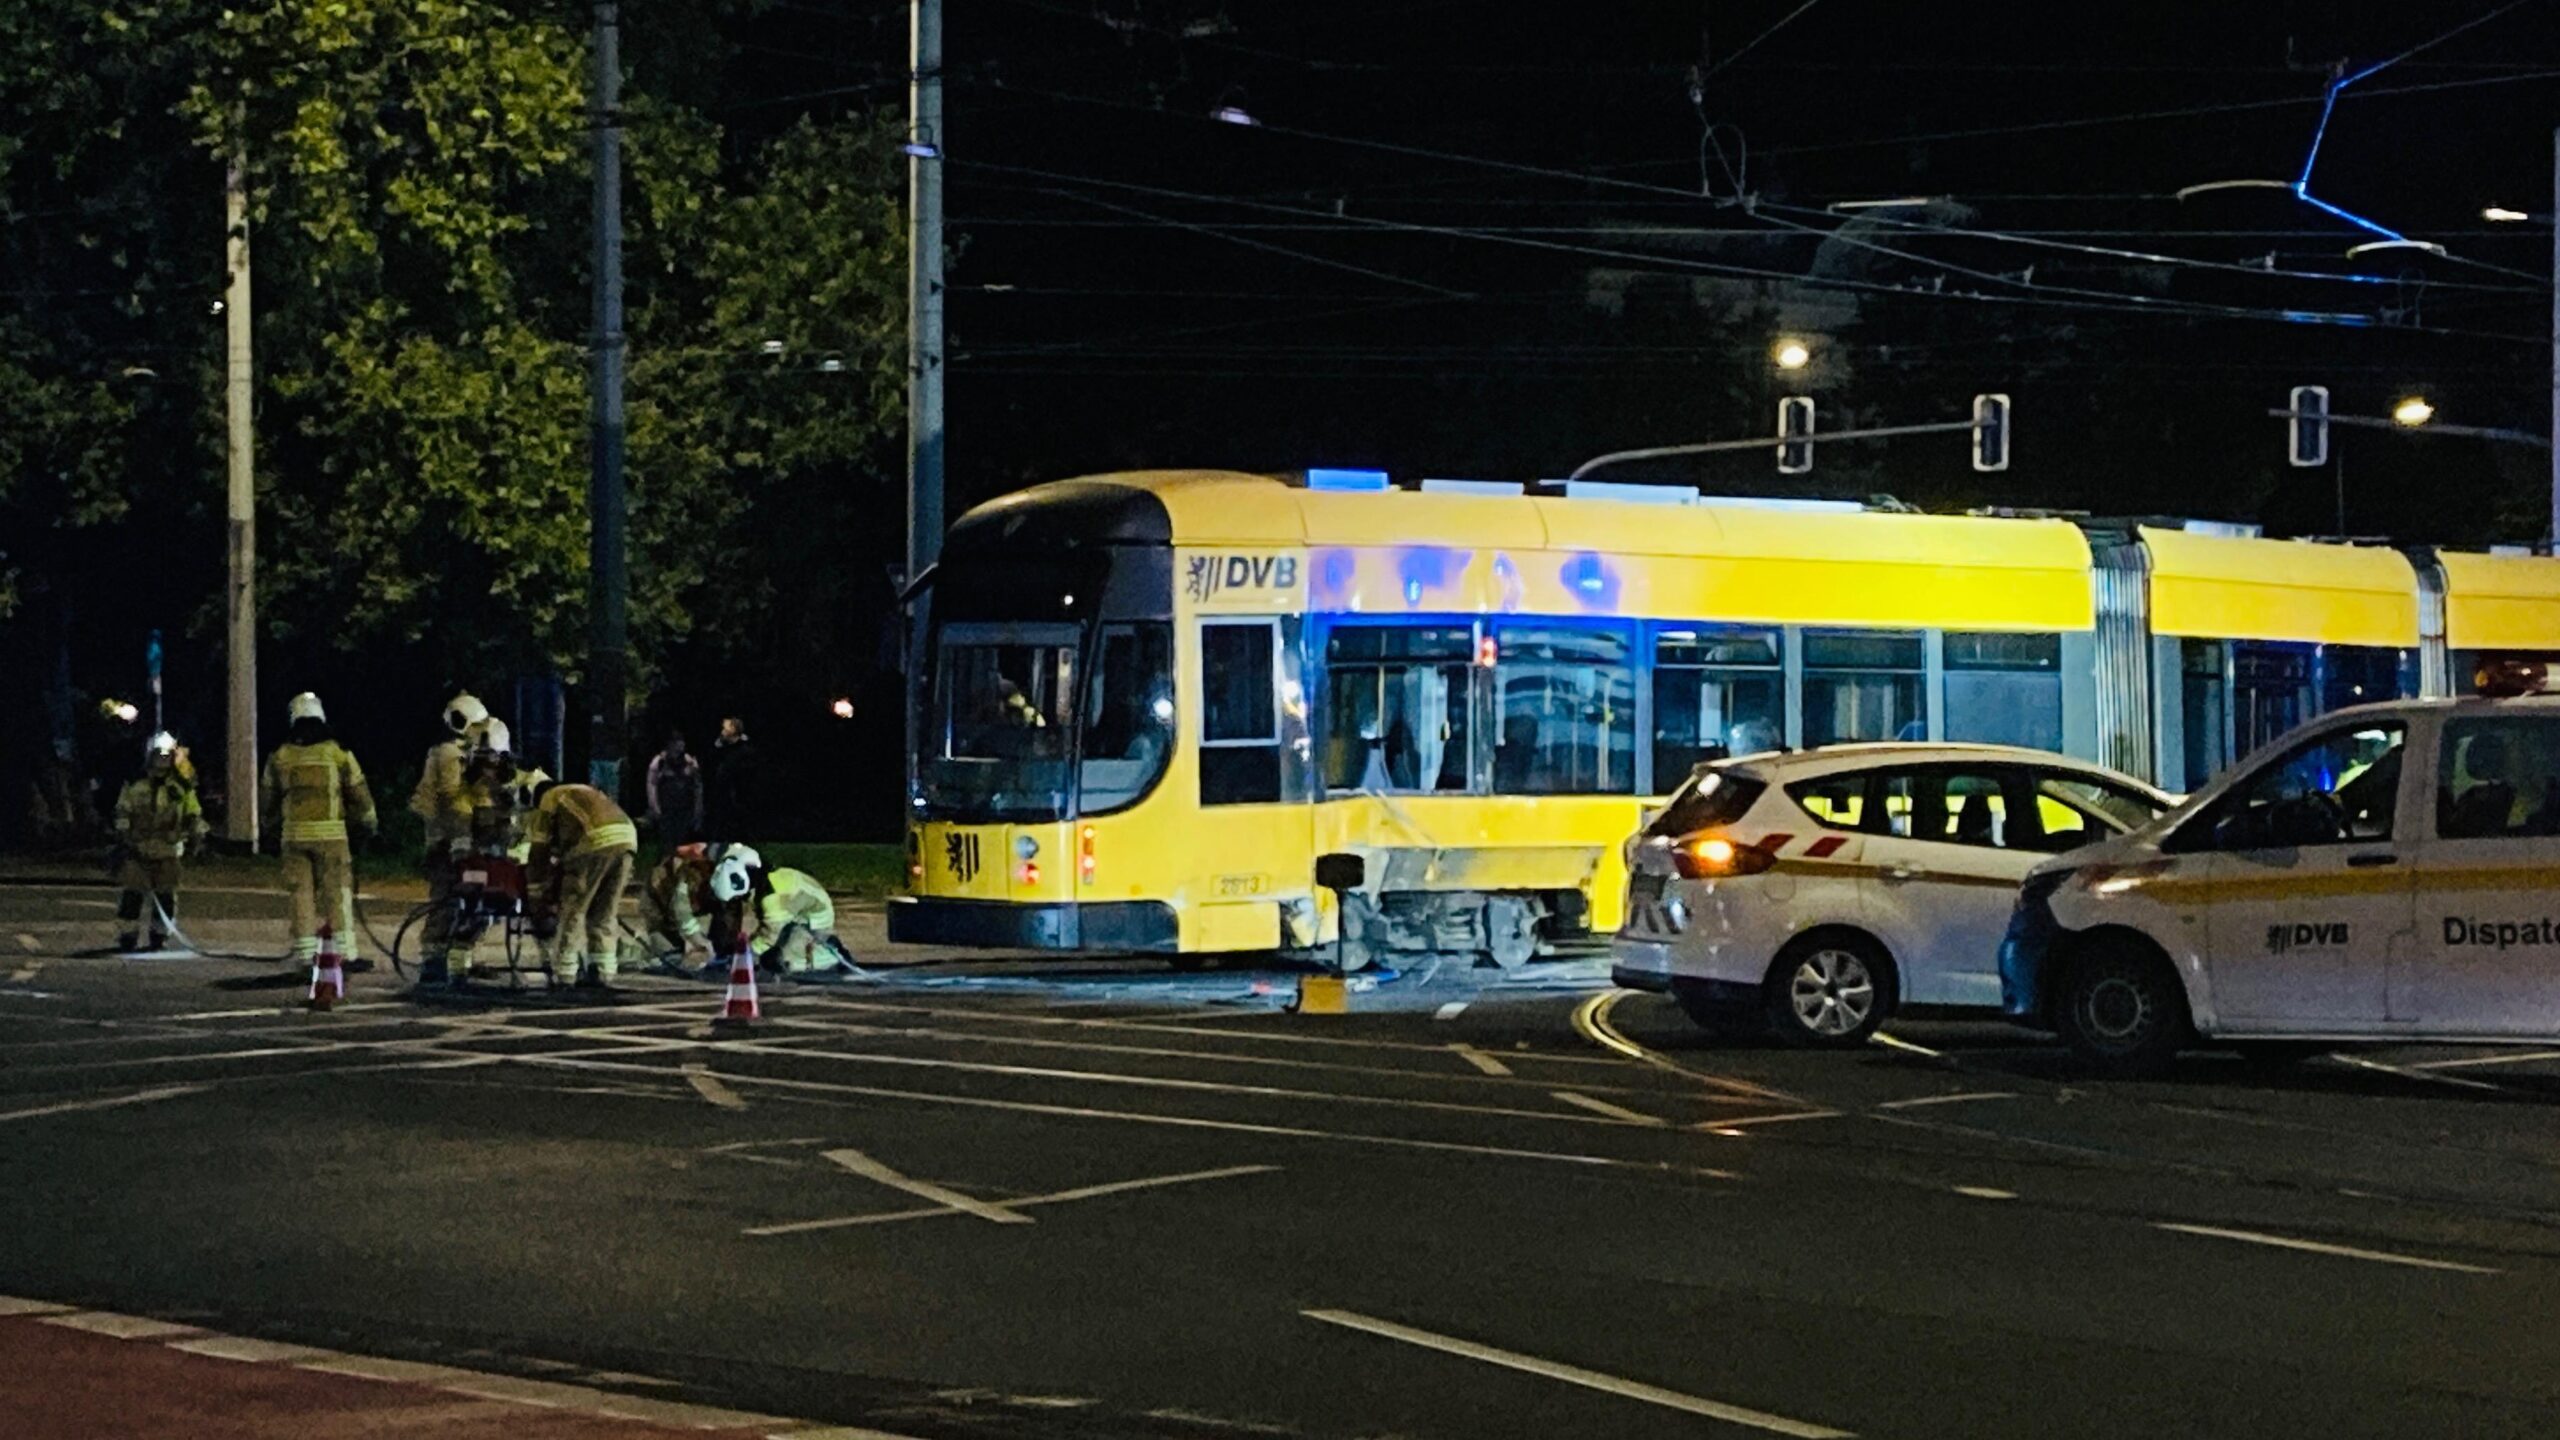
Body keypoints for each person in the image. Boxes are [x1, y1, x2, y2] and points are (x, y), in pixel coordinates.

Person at [262, 693, 376, 966]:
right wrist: (369, 823)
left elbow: (267, 799)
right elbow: (359, 794)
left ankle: (305, 954)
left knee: (300, 895)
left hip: (294, 837)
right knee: (337, 894)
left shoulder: (280, 756)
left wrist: (268, 827)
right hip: (332, 837)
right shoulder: (338, 753)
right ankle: (345, 954)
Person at [521, 773, 639, 990]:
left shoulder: (549, 798)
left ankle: (565, 973)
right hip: (627, 839)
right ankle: (602, 971)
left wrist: (535, 890)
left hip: (593, 843)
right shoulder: (583, 791)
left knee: (574, 909)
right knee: (605, 911)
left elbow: (539, 849)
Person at [410, 691, 488, 974]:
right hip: (448, 843)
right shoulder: (449, 754)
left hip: (457, 841)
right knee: (446, 898)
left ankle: (456, 959)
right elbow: (454, 800)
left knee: (471, 898)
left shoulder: (453, 752)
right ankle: (434, 958)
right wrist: (461, 841)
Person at [111, 732, 205, 952]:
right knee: (132, 895)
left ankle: (159, 934)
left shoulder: (181, 787)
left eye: (166, 755)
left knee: (165, 897)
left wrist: (198, 836)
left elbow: (193, 813)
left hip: (169, 851)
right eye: (158, 755)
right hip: (137, 849)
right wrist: (124, 836)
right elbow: (123, 811)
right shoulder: (135, 786)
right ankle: (127, 933)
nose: (162, 760)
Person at [707, 845, 858, 982]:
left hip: (812, 922)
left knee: (780, 961)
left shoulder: (772, 898)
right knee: (770, 954)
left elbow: (769, 936)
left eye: (738, 897)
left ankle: (833, 954)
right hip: (798, 914)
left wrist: (743, 954)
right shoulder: (766, 881)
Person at [641, 841, 717, 964]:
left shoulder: (708, 865)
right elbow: (679, 908)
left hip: (699, 904)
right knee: (668, 952)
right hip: (663, 917)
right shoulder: (665, 872)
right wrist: (697, 939)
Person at [705, 716, 757, 841]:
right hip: (721, 798)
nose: (722, 732)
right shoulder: (722, 749)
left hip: (737, 798)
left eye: (725, 729)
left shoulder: (745, 752)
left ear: (733, 730)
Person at [645, 730, 703, 842]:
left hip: (685, 810)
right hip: (666, 810)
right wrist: (654, 807)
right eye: (677, 742)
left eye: (681, 742)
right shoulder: (659, 762)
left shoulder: (690, 762)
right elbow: (651, 786)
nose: (680, 745)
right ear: (670, 744)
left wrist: (698, 809)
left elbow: (698, 787)